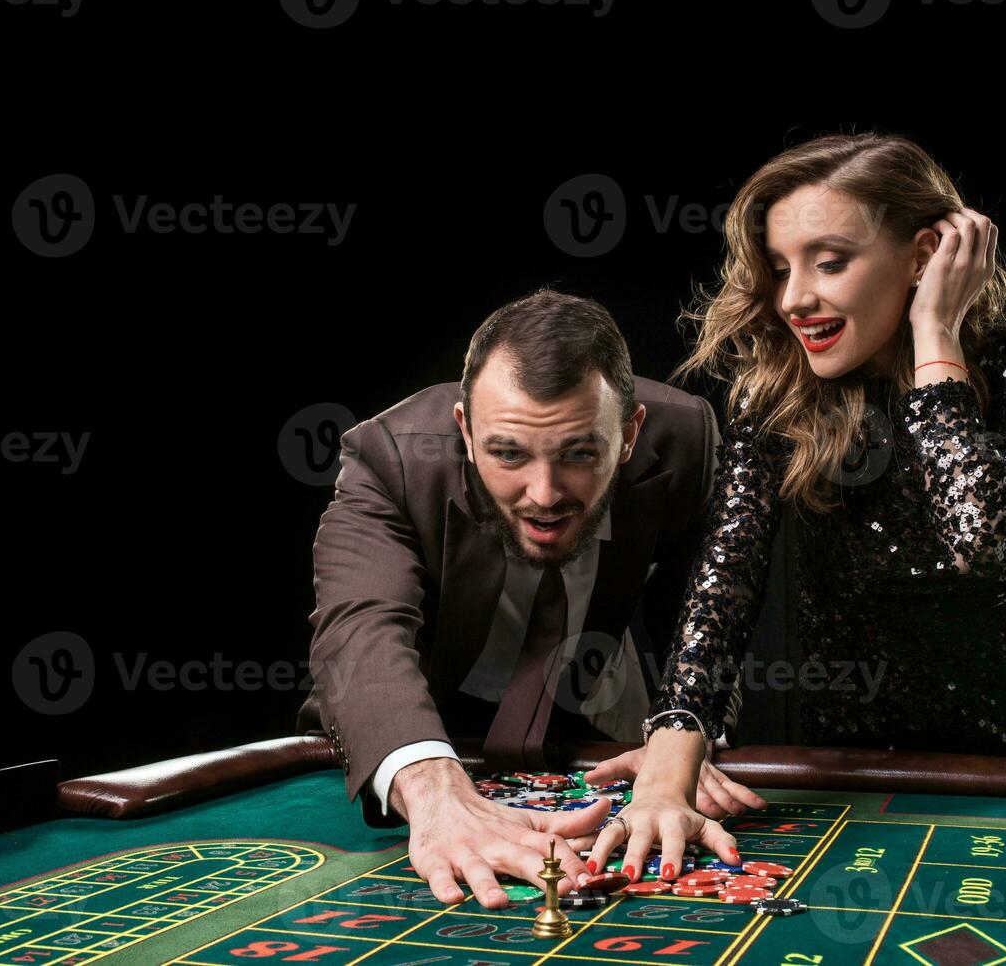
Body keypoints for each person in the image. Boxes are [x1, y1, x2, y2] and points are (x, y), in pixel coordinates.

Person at [583, 133, 1006, 883]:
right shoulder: (778, 392)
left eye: (830, 262)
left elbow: (985, 542)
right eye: (783, 267)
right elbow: (726, 582)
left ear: (924, 256)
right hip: (849, 778)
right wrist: (669, 765)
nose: (794, 297)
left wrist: (935, 336)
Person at [295, 288, 761, 909]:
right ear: (465, 429)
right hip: (427, 735)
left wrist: (684, 740)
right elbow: (360, 630)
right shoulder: (391, 459)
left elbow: (706, 617)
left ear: (629, 433)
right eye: (508, 452)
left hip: (597, 734)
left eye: (579, 453)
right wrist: (433, 788)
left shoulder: (686, 440)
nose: (543, 494)